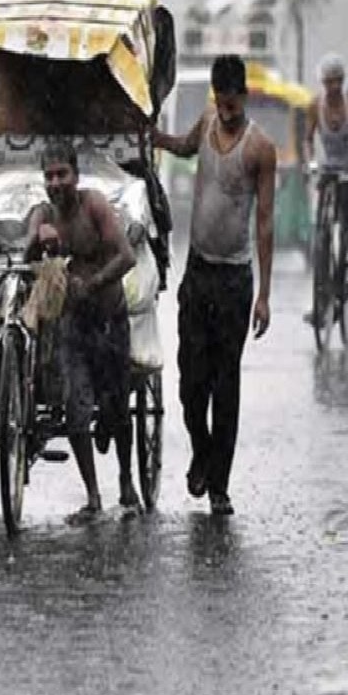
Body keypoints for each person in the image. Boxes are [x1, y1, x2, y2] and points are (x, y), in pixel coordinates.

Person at [152, 55, 277, 516]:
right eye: (219, 103)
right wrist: (157, 139)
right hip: (198, 271)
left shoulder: (260, 149)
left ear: (243, 97)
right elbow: (185, 148)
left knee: (226, 383)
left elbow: (264, 224)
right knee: (190, 380)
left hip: (235, 279)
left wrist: (263, 295)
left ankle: (219, 484)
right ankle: (201, 449)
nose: (225, 112)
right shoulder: (205, 121)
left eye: (232, 104)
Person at [24, 139, 137, 524]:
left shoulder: (95, 206)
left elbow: (127, 256)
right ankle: (92, 496)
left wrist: (93, 283)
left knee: (118, 410)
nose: (56, 182)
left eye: (63, 174)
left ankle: (126, 480)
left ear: (76, 176)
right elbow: (25, 261)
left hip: (110, 321)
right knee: (74, 411)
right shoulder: (43, 214)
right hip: (73, 326)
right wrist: (38, 245)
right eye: (50, 176)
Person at [302, 53, 348, 274]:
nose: (334, 87)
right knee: (322, 212)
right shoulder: (315, 106)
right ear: (323, 83)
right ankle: (322, 251)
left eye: (338, 81)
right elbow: (307, 139)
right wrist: (312, 162)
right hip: (329, 168)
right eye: (329, 82)